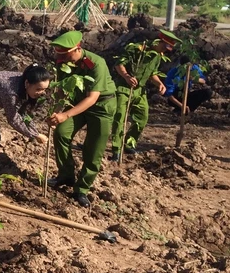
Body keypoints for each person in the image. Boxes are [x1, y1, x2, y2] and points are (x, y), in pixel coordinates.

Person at [47, 30, 117, 208]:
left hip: (101, 106)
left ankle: (82, 189)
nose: (60, 57)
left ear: (77, 49)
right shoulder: (63, 63)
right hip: (76, 102)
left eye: (64, 53)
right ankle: (66, 175)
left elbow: (92, 98)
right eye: (58, 54)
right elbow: (61, 90)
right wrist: (56, 112)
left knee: (94, 149)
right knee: (61, 133)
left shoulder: (95, 64)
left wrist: (66, 114)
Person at [0, 64, 51, 196]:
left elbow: (23, 115)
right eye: (38, 89)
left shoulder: (23, 86)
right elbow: (13, 119)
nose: (41, 93)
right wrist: (34, 135)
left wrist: (36, 131)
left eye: (44, 89)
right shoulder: (11, 91)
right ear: (27, 83)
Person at [109, 29, 175, 159]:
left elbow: (152, 73)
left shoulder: (157, 56)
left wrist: (159, 84)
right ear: (158, 42)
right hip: (124, 88)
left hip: (140, 90)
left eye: (167, 49)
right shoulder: (137, 49)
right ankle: (117, 149)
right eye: (164, 46)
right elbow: (119, 64)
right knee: (119, 118)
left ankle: (129, 144)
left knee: (142, 117)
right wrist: (127, 76)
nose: (165, 51)